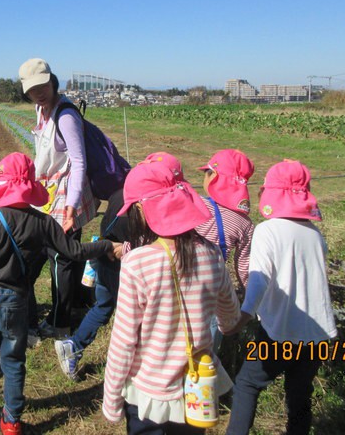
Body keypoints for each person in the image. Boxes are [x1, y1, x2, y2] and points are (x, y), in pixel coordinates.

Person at [0, 152, 120, 434]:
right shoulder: (43, 222)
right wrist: (105, 246)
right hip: (15, 302)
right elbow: (74, 252)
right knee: (12, 361)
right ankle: (11, 421)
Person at [103, 157, 241, 435]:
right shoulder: (213, 255)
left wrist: (112, 401)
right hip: (195, 391)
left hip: (147, 393)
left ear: (142, 209)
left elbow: (124, 341)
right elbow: (230, 320)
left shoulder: (137, 263)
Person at [225, 160, 336, 435]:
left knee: (248, 384)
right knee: (299, 395)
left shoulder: (267, 231)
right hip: (316, 333)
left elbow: (259, 279)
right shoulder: (314, 234)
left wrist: (244, 315)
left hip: (280, 331)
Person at [54, 152, 183, 379]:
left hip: (106, 255)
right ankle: (129, 361)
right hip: (121, 261)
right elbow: (146, 249)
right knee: (133, 313)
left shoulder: (119, 194)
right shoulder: (145, 210)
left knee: (104, 305)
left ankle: (73, 346)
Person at [19, 58, 98, 341]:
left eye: (42, 85)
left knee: (60, 259)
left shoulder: (65, 115)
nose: (38, 92)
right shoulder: (42, 109)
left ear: (52, 81)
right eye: (32, 89)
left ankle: (61, 323)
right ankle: (76, 305)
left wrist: (70, 208)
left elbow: (79, 162)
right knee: (70, 254)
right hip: (52, 192)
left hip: (67, 195)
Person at [195, 149, 255, 352]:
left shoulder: (193, 204)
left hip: (178, 283)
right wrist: (249, 298)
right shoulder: (244, 223)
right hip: (211, 293)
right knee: (205, 357)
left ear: (214, 177)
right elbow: (244, 268)